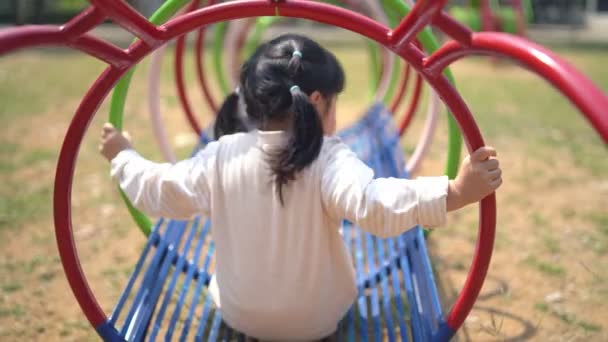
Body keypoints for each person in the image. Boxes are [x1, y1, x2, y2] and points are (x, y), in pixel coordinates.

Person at [100, 34, 502, 341]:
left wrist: (123, 156)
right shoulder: (327, 157)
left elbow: (160, 188)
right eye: (334, 103)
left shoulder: (221, 155)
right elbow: (374, 204)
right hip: (318, 320)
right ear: (315, 100)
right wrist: (456, 192)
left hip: (239, 314)